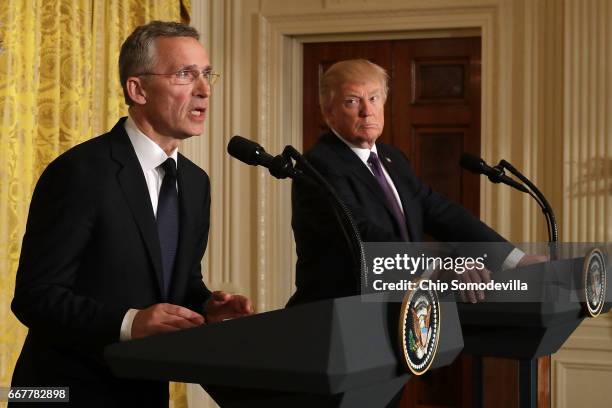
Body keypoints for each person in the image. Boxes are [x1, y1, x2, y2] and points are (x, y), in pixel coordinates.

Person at [10, 21, 253, 407]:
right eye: (184, 74)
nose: (204, 90)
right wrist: (128, 323)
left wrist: (207, 307)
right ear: (137, 89)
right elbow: (35, 298)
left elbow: (176, 282)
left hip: (141, 391)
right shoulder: (82, 172)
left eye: (206, 74)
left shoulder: (195, 183)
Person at [288, 59, 544, 307]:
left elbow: (440, 211)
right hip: (340, 316)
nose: (367, 111)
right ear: (328, 112)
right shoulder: (317, 166)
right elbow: (361, 235)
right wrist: (440, 267)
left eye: (374, 98)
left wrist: (514, 260)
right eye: (352, 101)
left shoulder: (393, 159)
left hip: (401, 313)